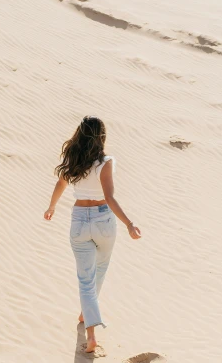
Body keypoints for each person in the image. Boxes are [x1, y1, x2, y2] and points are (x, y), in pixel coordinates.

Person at [44, 116, 142, 353]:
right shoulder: (105, 162)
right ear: (101, 137)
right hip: (103, 220)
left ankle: (90, 331)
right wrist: (129, 223)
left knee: (85, 279)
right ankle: (89, 319)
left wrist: (52, 206)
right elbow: (109, 197)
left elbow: (61, 185)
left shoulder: (73, 159)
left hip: (79, 219)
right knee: (100, 270)